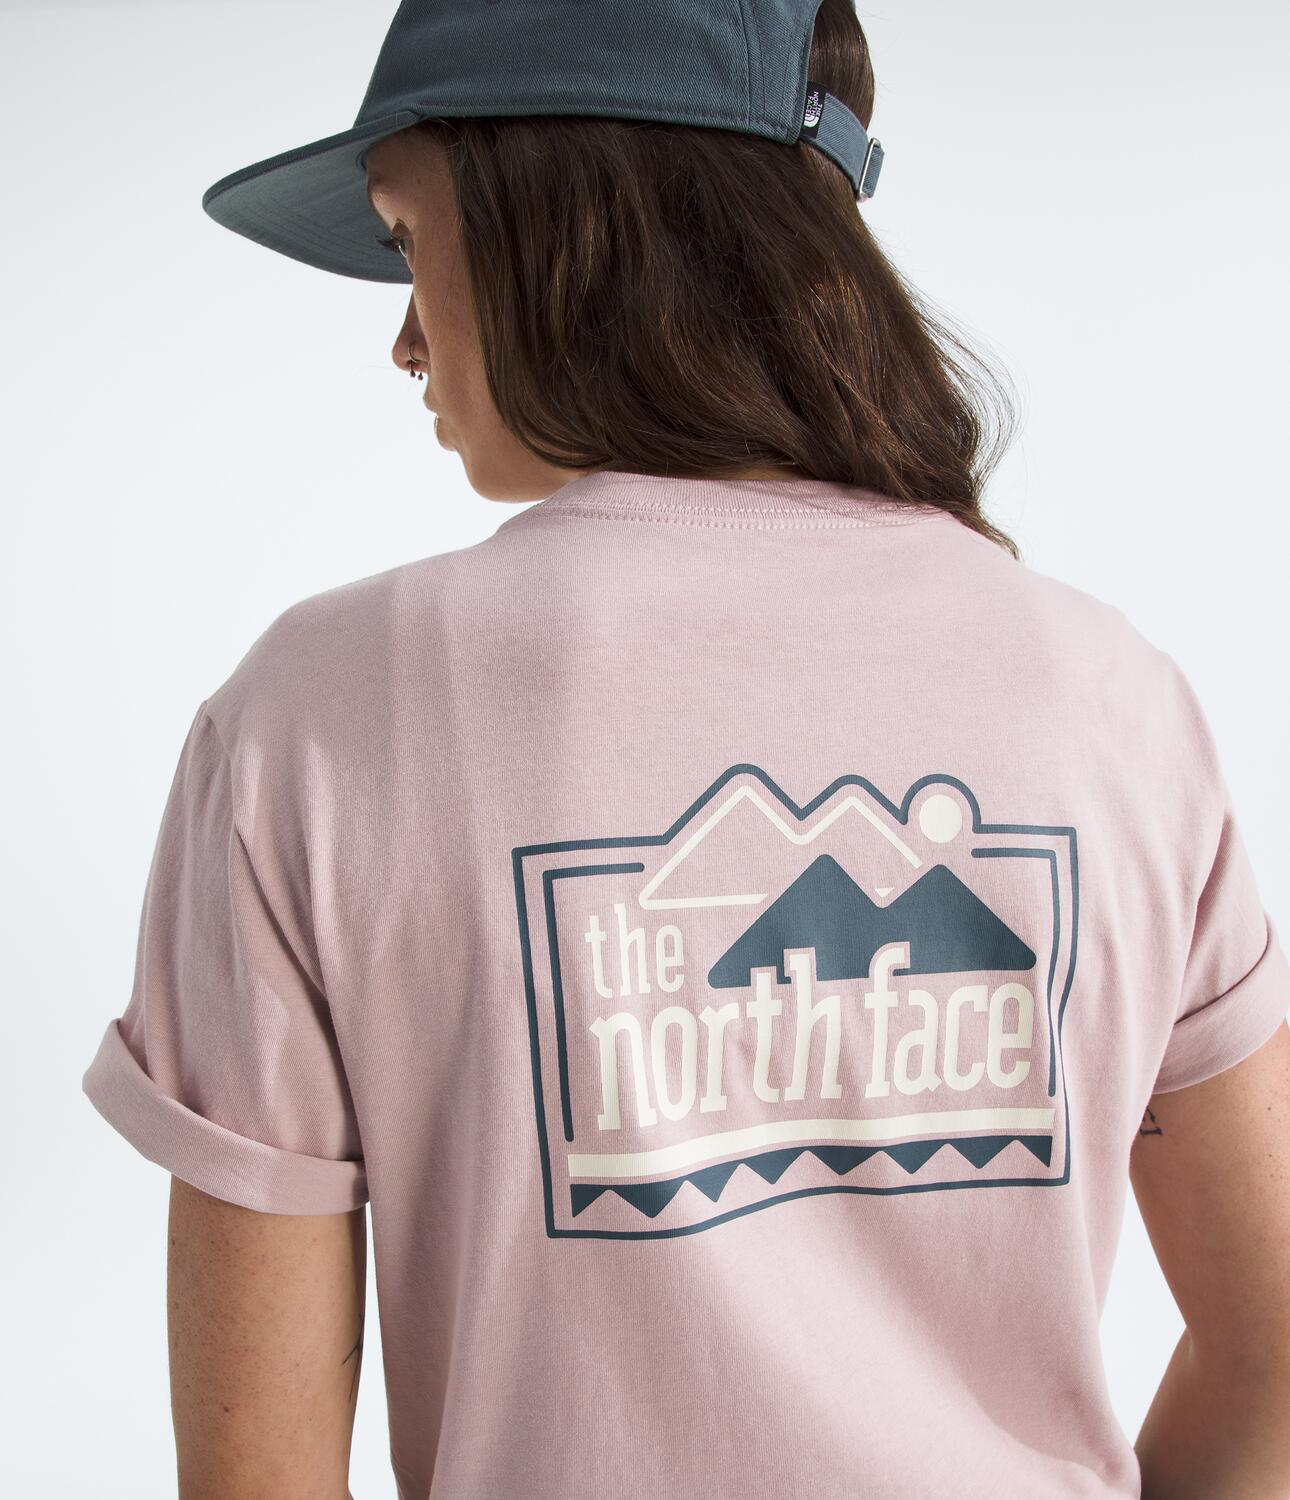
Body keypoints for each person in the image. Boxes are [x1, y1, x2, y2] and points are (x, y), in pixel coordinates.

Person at [81, 3, 1290, 1498]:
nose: (401, 340)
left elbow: (256, 1480)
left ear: (565, 216)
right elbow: (1272, 1347)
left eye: (406, 239)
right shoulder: (1109, 698)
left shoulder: (323, 718)